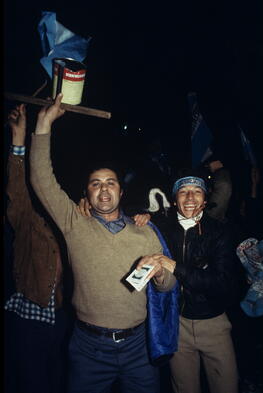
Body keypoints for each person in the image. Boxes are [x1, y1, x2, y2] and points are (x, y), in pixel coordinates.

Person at [29, 93, 177, 393]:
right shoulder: (74, 224)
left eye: (110, 182)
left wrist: (162, 274)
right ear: (87, 193)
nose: (103, 189)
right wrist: (44, 125)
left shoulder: (145, 232)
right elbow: (42, 179)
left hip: (138, 347)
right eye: (95, 184)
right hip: (88, 348)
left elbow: (167, 287)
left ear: (121, 192)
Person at [141, 170, 239, 393]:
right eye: (183, 192)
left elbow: (222, 283)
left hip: (214, 323)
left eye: (197, 192)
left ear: (205, 200)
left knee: (226, 386)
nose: (190, 198)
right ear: (174, 200)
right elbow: (129, 221)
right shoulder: (162, 230)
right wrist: (141, 217)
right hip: (178, 325)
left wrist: (174, 265)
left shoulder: (220, 232)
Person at [4, 104, 69, 393]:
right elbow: (18, 191)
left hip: (60, 318)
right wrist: (18, 140)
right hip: (29, 316)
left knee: (55, 382)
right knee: (31, 384)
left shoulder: (68, 224)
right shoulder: (29, 220)